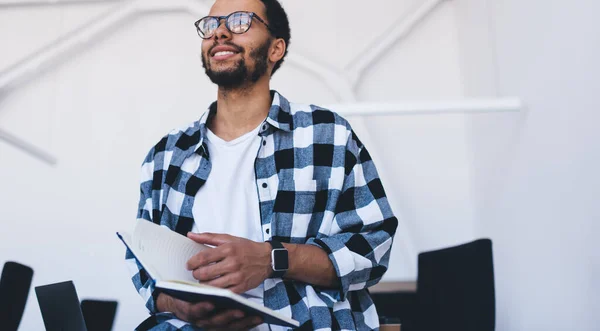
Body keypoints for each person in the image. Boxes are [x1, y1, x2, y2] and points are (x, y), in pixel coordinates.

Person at [126, 0, 398, 330]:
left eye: (240, 21)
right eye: (211, 25)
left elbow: (372, 250)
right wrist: (177, 305)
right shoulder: (166, 155)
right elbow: (142, 260)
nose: (221, 32)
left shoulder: (328, 136)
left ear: (275, 49)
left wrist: (272, 259)